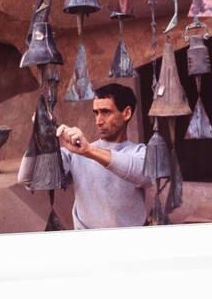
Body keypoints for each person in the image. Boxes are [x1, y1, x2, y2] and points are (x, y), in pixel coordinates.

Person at [18, 83, 152, 230]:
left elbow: (141, 173)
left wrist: (88, 151)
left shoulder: (139, 153)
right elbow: (27, 178)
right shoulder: (76, 153)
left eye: (106, 112)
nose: (98, 121)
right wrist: (39, 134)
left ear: (126, 113)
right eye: (96, 113)